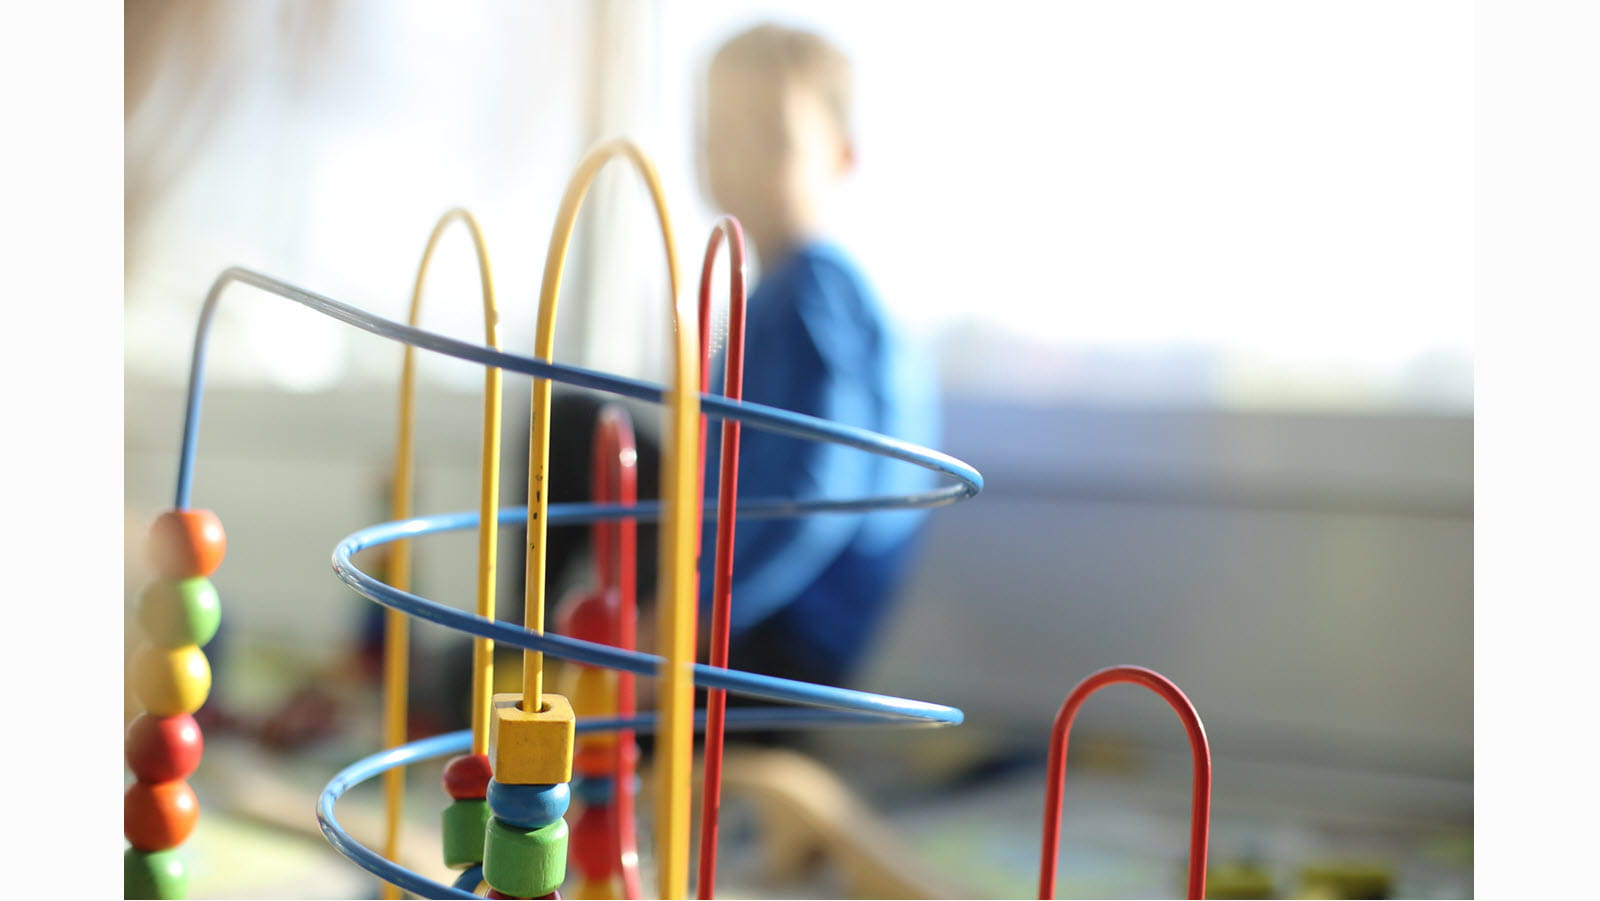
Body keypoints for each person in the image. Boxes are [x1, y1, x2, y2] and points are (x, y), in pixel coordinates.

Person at [694, 23, 942, 693]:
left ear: (843, 157)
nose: (736, 158)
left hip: (779, 639)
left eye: (770, 137)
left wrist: (689, 620)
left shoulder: (814, 289)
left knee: (574, 427)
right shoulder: (776, 291)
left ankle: (533, 661)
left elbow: (815, 489)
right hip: (760, 613)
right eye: (716, 134)